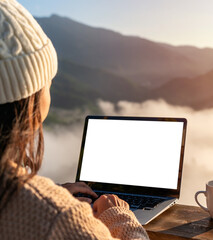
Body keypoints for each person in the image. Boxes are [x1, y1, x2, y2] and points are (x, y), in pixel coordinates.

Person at [0, 0, 149, 239]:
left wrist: (53, 191)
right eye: (48, 81)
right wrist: (119, 216)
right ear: (28, 98)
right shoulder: (57, 218)